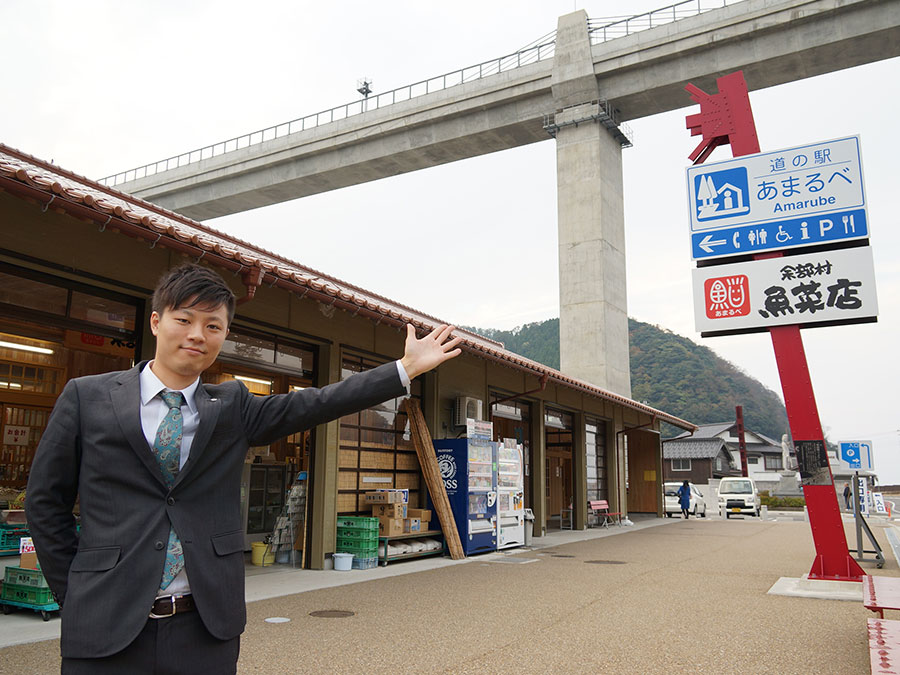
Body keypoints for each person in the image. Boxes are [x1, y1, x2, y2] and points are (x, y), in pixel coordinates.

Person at [26, 264, 462, 674]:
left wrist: (403, 370)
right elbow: (46, 504)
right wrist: (77, 594)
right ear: (157, 321)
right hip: (104, 625)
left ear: (224, 334)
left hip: (203, 628)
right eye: (185, 319)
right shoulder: (87, 397)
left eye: (213, 326)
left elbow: (319, 402)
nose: (198, 334)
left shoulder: (232, 406)